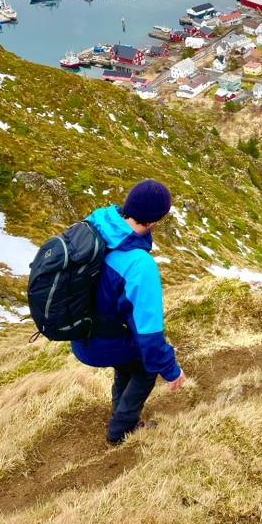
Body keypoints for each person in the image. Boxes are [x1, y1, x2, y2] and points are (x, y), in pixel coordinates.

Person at [71, 179, 186, 444]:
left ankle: (120, 413)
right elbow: (149, 335)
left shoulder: (98, 227)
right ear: (157, 218)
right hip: (104, 341)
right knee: (146, 367)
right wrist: (171, 369)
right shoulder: (139, 264)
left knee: (128, 363)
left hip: (83, 334)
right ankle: (120, 431)